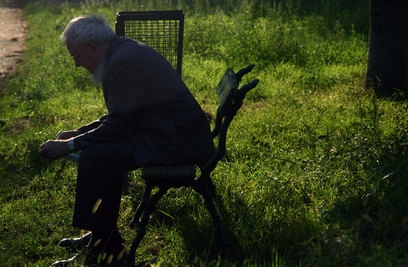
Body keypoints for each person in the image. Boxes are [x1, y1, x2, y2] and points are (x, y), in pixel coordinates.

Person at [39, 14, 214, 266]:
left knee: (97, 157)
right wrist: (80, 132)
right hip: (165, 133)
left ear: (91, 47)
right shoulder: (122, 53)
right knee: (101, 154)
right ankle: (102, 241)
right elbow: (122, 114)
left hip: (175, 143)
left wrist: (68, 145)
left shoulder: (122, 61)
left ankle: (105, 249)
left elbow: (120, 123)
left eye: (75, 56)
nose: (76, 64)